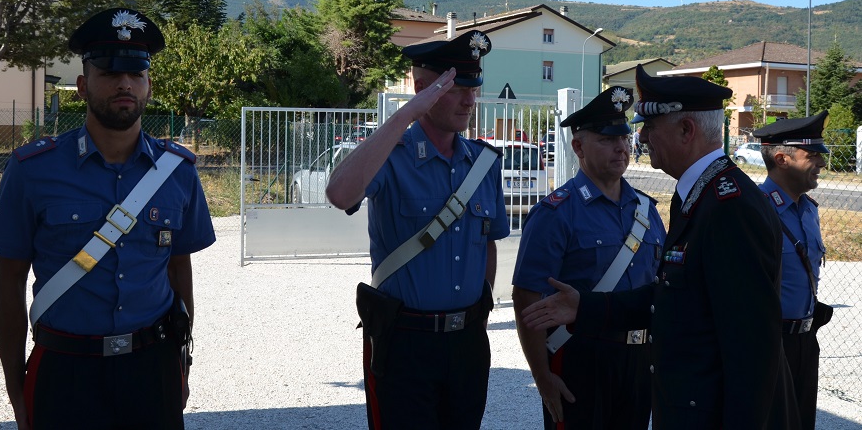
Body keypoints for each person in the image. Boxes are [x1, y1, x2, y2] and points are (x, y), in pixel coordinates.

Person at [519, 64, 800, 429]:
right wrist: (583, 306)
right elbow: (673, 295)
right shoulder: (701, 198)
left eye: (650, 127)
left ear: (686, 130)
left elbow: (752, 347)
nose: (641, 140)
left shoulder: (728, 207)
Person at [0, 8, 216, 429]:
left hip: (152, 367)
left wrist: (180, 362)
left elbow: (179, 269)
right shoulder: (32, 170)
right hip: (65, 372)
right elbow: (9, 282)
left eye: (135, 72)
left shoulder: (178, 172)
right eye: (109, 72)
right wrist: (16, 389)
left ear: (148, 85)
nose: (124, 83)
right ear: (83, 86)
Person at [326, 30, 510, 429]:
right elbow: (340, 194)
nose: (470, 99)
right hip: (405, 341)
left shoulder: (483, 163)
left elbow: (488, 245)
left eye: (473, 87)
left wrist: (480, 312)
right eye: (458, 87)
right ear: (422, 88)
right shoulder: (391, 157)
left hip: (467, 342)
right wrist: (405, 115)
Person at [512, 86, 665, 430]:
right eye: (606, 139)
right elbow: (527, 299)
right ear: (578, 147)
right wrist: (542, 378)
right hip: (581, 360)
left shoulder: (647, 211)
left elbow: (662, 285)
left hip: (640, 361)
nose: (621, 147)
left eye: (624, 138)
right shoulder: (556, 213)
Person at [755, 111, 833, 430]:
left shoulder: (808, 210)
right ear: (783, 159)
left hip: (805, 343)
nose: (822, 163)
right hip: (770, 345)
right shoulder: (755, 210)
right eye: (812, 155)